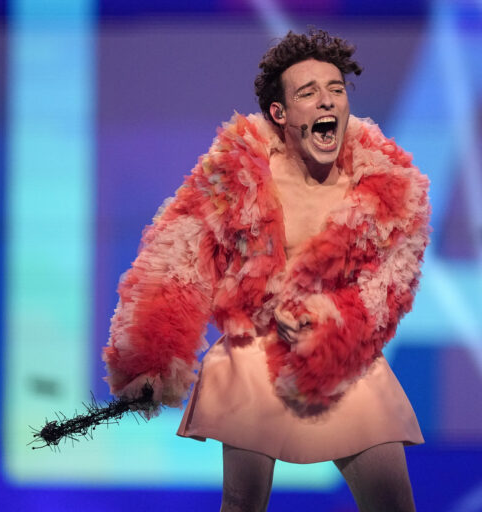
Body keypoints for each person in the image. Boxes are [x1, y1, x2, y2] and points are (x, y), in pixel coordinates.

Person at [102, 29, 430, 511]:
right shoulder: (238, 173)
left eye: (336, 90)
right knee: (243, 503)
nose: (327, 101)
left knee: (394, 503)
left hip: (343, 359)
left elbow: (390, 285)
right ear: (281, 114)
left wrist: (330, 324)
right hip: (253, 355)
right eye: (308, 92)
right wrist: (150, 358)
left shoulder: (387, 187)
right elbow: (178, 256)